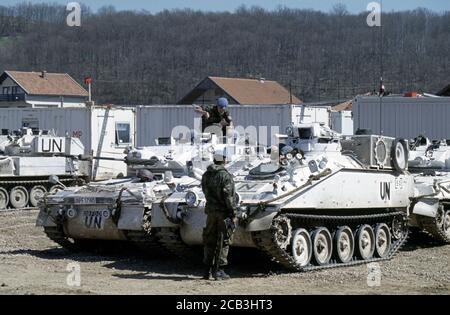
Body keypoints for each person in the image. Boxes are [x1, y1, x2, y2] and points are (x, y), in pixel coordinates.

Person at [201, 148, 236, 281]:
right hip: (223, 213)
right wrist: (233, 212)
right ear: (224, 160)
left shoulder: (206, 174)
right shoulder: (225, 176)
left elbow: (204, 191)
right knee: (224, 240)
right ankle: (219, 271)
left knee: (209, 239)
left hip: (210, 211)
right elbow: (228, 196)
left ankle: (206, 270)